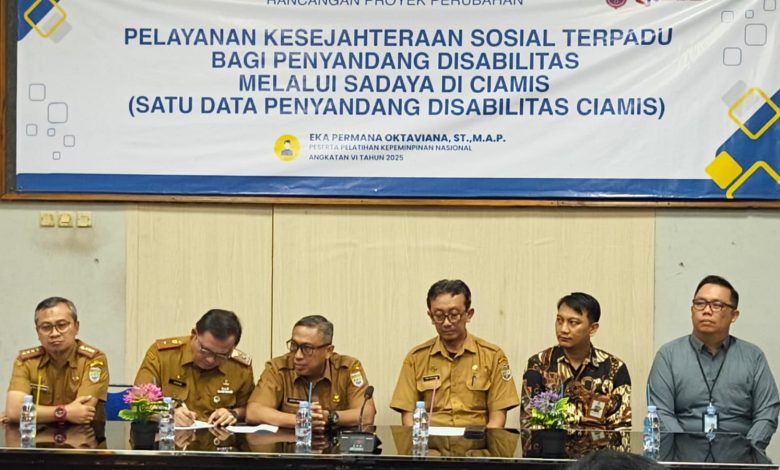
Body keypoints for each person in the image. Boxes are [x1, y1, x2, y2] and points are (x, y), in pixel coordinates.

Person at [648, 275, 780, 449]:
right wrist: (684, 452)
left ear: (734, 315)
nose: (706, 311)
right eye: (700, 303)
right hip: (682, 457)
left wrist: (748, 451)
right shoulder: (668, 356)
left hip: (741, 455)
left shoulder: (753, 357)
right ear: (692, 309)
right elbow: (661, 413)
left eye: (717, 305)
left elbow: (767, 412)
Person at [390, 279, 520, 427]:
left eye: (453, 314)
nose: (446, 323)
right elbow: (408, 417)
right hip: (431, 440)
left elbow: (497, 419)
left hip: (476, 440)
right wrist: (419, 441)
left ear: (469, 314)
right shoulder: (416, 359)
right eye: (439, 315)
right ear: (431, 316)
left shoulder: (493, 356)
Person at [246, 315, 375, 433]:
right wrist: (300, 420)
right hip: (290, 446)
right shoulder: (278, 368)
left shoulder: (347, 368)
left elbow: (366, 414)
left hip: (336, 448)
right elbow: (253, 412)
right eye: (294, 345)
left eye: (307, 348)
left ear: (328, 351)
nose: (298, 355)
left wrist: (328, 417)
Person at [522, 292, 631, 429]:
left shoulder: (614, 368)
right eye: (559, 320)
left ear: (592, 329)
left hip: (600, 443)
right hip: (549, 443)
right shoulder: (538, 364)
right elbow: (529, 423)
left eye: (573, 323)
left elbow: (621, 428)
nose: (563, 329)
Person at [134, 309, 254, 427]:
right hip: (168, 436)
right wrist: (168, 413)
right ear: (194, 334)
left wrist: (233, 413)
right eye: (205, 350)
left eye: (222, 355)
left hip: (217, 438)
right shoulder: (162, 356)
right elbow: (138, 401)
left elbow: (249, 408)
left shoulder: (240, 368)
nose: (211, 360)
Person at [4, 297, 109, 425]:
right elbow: (14, 411)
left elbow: (82, 411)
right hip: (38, 435)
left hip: (82, 435)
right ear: (37, 332)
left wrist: (30, 413)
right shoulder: (26, 362)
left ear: (76, 327)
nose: (54, 333)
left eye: (62, 325)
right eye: (46, 327)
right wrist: (64, 412)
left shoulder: (93, 360)